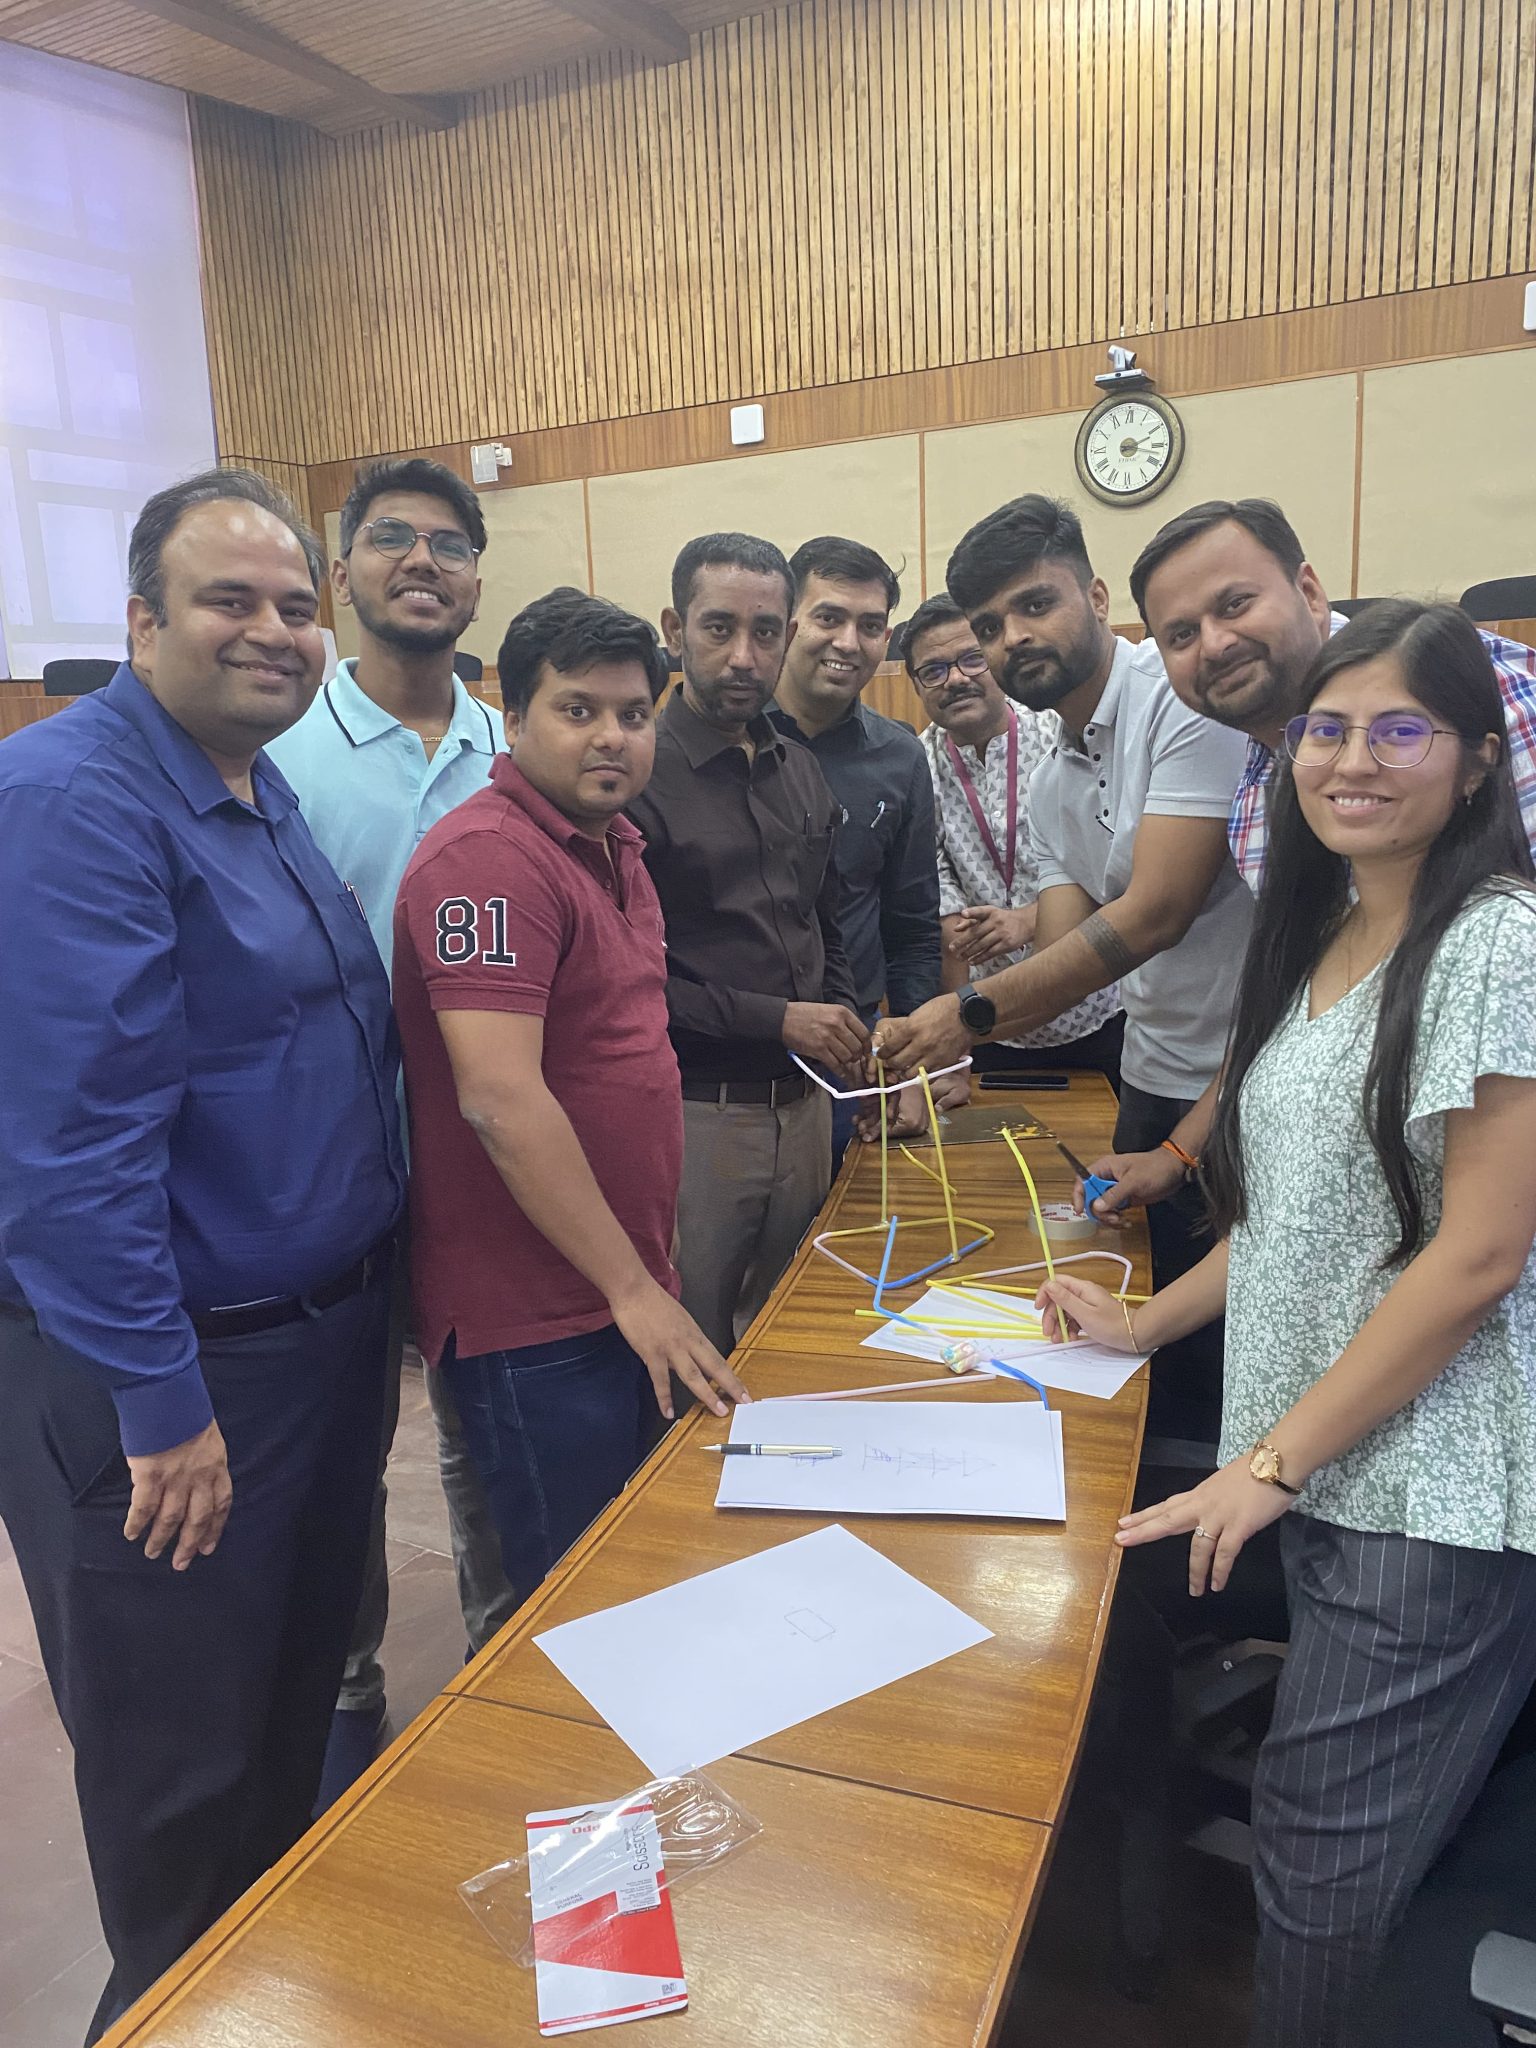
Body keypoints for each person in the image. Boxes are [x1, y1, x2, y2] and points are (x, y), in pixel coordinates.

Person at [1035, 601, 1536, 2048]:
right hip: (1324, 1465)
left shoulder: (1494, 939)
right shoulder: (1326, 938)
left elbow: (1478, 1255)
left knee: (1320, 1866)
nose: (1354, 762)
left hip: (1430, 1499)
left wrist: (1264, 1468)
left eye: (1400, 732)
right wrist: (1140, 1331)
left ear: (1480, 760)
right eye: (1328, 730)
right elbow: (1299, 1225)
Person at [0, 470, 404, 2042]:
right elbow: (68, 1147)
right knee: (183, 1793)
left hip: (316, 1352)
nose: (276, 630)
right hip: (170, 1386)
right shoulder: (72, 804)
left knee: (285, 1731)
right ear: (140, 619)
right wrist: (162, 1405)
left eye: (298, 605)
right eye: (229, 599)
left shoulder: (254, 783)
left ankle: (265, 2007)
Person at [392, 588, 749, 1604]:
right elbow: (499, 1098)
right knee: (562, 1606)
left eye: (634, 714)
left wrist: (642, 1279)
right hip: (533, 1317)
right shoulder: (490, 858)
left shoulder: (611, 844)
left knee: (624, 1574)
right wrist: (634, 1288)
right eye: (578, 709)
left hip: (612, 1287)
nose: (612, 737)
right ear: (513, 716)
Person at [877, 496, 1252, 1440]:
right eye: (990, 626)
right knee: (1155, 1338)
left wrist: (962, 1017)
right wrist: (955, 1022)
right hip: (1158, 1075)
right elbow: (1065, 927)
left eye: (1035, 605)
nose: (1012, 640)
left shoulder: (1179, 698)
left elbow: (1153, 914)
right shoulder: (1057, 774)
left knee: (1238, 1350)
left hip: (1246, 1074)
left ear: (1094, 593)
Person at [266, 455, 514, 1800]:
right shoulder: (281, 752)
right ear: (344, 569)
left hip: (491, 1166)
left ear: (480, 576)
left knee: (484, 1437)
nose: (424, 562)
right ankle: (348, 1692)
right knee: (345, 1456)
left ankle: (499, 1672)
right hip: (337, 1173)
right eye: (394, 541)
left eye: (451, 544)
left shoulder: (518, 752)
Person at [1082, 496, 1536, 1228]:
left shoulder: (1485, 695)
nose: (1216, 643)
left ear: (1311, 591)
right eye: (1181, 634)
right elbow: (1299, 1004)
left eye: (1235, 604)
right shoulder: (1259, 800)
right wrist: (1182, 1153)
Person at [626, 533, 870, 1358]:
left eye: (766, 632)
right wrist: (779, 1020)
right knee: (693, 1356)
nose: (744, 655)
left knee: (795, 1338)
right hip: (699, 1119)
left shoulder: (800, 770)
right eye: (718, 628)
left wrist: (842, 1026)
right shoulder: (635, 778)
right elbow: (632, 984)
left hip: (807, 1112)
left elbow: (824, 920)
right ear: (674, 628)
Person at [899, 591, 1124, 1088]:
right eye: (933, 670)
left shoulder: (1063, 736)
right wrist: (956, 1056)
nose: (955, 679)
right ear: (916, 684)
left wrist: (1027, 921)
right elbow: (946, 921)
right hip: (987, 1024)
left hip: (1097, 1010)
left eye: (971, 659)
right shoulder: (916, 765)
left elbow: (1116, 872)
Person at [768, 536, 941, 1164]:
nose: (849, 642)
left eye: (870, 626)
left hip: (854, 1057)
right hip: (728, 1064)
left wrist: (915, 1066)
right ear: (788, 623)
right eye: (829, 617)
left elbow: (913, 925)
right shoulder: (724, 741)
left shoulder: (899, 756)